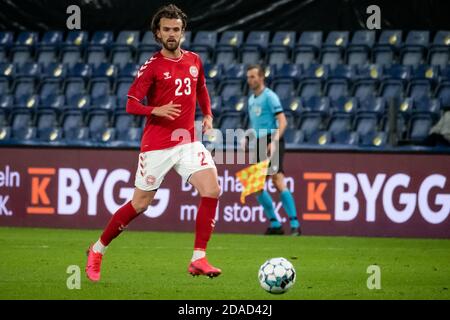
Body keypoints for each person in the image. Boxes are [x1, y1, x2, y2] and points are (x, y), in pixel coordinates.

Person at [85, 4, 222, 281]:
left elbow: (201, 88)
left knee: (212, 189)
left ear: (183, 32)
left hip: (187, 140)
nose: (172, 34)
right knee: (139, 204)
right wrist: (154, 110)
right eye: (166, 30)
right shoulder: (152, 67)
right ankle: (97, 249)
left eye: (176, 29)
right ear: (158, 34)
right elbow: (130, 104)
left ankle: (198, 258)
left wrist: (207, 114)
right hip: (157, 144)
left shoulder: (194, 60)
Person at [245, 64, 301, 236]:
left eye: (253, 76)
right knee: (255, 186)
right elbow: (256, 124)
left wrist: (274, 141)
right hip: (260, 141)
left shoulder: (270, 97)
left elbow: (283, 122)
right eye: (249, 77)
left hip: (272, 139)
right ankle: (275, 224)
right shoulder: (251, 99)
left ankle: (295, 224)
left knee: (277, 179)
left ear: (262, 77)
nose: (250, 80)